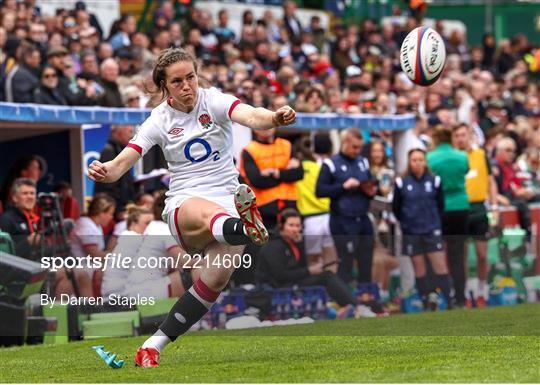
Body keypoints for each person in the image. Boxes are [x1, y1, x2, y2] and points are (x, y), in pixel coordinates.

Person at [87, 47, 296, 367]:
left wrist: (274, 117)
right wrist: (105, 170)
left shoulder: (213, 100)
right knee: (210, 214)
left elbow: (253, 116)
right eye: (177, 81)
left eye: (191, 77)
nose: (187, 86)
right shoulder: (158, 119)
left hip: (228, 198)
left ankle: (152, 346)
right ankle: (244, 227)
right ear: (164, 86)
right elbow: (121, 164)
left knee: (215, 278)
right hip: (186, 203)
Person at [256, 208, 375, 317]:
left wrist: (311, 267)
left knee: (326, 274)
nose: (295, 229)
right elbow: (280, 276)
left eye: (298, 226)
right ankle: (356, 307)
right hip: (277, 288)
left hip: (292, 283)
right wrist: (309, 271)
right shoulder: (273, 246)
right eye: (291, 225)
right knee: (327, 277)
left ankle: (351, 306)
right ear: (281, 226)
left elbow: (298, 268)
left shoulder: (295, 244)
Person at [0, 178, 90, 297]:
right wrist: (28, 242)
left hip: (40, 264)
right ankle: (57, 313)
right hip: (21, 271)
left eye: (32, 193)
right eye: (25, 193)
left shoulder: (36, 219)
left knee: (82, 272)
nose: (29, 196)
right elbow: (6, 257)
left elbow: (43, 250)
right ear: (15, 197)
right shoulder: (7, 219)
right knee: (66, 273)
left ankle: (89, 311)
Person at [392, 149, 453, 309]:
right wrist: (407, 223)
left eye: (420, 159)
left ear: (425, 162)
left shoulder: (435, 181)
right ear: (409, 162)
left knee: (439, 265)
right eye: (414, 160)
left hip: (431, 229)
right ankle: (426, 301)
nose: (418, 163)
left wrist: (433, 222)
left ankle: (449, 301)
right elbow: (396, 209)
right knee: (419, 268)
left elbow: (441, 205)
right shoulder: (401, 183)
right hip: (412, 231)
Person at [316, 128, 377, 285]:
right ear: (345, 143)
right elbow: (320, 190)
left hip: (362, 216)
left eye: (360, 147)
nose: (357, 151)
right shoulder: (330, 164)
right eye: (354, 147)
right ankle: (347, 302)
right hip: (342, 219)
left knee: (366, 260)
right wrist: (343, 186)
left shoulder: (363, 161)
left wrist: (370, 189)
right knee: (346, 261)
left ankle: (367, 298)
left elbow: (369, 182)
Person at [452, 123, 499, 307]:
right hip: (459, 208)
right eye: (458, 135)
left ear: (470, 135)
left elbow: (490, 181)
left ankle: (481, 290)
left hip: (479, 207)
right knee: (461, 254)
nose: (461, 138)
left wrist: (494, 205)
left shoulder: (480, 154)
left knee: (481, 253)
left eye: (464, 134)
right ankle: (464, 291)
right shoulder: (453, 158)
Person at [427, 125, 470, 307]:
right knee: (457, 255)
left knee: (438, 253)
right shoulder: (462, 156)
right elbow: (466, 171)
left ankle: (442, 295)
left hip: (440, 208)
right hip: (461, 207)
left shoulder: (430, 158)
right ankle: (460, 297)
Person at [239, 126, 303, 231]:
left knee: (295, 244)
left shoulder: (286, 145)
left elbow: (299, 173)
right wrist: (285, 174)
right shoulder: (249, 150)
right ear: (255, 128)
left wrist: (276, 173)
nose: (266, 127)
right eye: (262, 124)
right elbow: (256, 180)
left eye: (269, 123)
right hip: (265, 208)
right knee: (270, 245)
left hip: (290, 204)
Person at [294, 134, 338, 273]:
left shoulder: (297, 168)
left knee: (312, 262)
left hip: (310, 220)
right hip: (329, 218)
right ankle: (332, 291)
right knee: (331, 260)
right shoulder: (328, 166)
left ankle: (314, 290)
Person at [101, 203, 153, 298]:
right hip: (118, 297)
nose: (150, 227)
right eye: (147, 223)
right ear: (133, 224)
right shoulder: (133, 238)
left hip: (114, 294)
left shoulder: (128, 237)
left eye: (152, 224)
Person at [70, 193, 116, 297]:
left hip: (91, 268)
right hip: (83, 269)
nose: (111, 217)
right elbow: (94, 254)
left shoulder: (95, 225)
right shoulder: (85, 224)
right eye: (110, 214)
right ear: (101, 213)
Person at [93, 125, 136, 218]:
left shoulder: (120, 150)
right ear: (119, 133)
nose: (132, 136)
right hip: (115, 212)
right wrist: (118, 210)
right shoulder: (109, 151)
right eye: (130, 132)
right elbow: (107, 185)